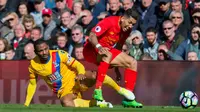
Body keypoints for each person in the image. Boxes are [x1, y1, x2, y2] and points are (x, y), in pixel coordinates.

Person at [24, 39, 136, 107]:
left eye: (45, 49)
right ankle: (95, 104)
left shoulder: (58, 54)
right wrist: (26, 104)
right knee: (65, 103)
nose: (44, 52)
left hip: (76, 79)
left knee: (94, 75)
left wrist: (81, 73)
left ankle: (120, 90)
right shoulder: (33, 65)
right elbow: (33, 84)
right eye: (41, 51)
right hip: (64, 91)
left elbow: (77, 64)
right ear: (36, 52)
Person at [83, 8, 143, 107]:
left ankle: (129, 98)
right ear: (123, 18)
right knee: (108, 54)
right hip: (90, 49)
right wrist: (99, 47)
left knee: (132, 62)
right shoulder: (110, 21)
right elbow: (92, 35)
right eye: (130, 22)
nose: (130, 26)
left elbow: (118, 48)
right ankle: (97, 91)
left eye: (133, 24)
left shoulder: (126, 30)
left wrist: (116, 69)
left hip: (106, 51)